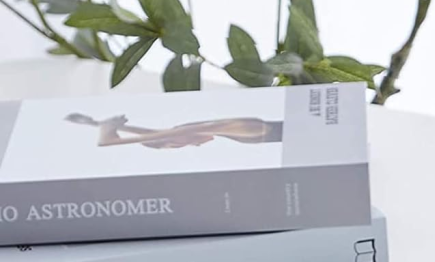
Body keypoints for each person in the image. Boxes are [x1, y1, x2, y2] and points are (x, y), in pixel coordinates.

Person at [64, 112, 284, 148]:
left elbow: (167, 133)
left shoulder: (222, 127)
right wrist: (100, 126)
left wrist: (104, 129)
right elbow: (164, 133)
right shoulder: (235, 131)